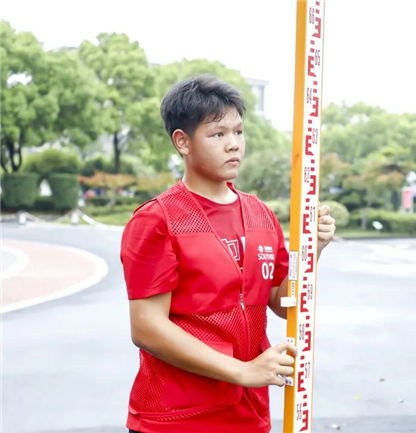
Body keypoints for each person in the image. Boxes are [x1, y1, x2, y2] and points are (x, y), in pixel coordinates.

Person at [120, 74, 336, 433]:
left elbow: (283, 303)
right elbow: (146, 327)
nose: (233, 144)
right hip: (174, 419)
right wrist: (243, 371)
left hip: (248, 415)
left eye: (238, 131)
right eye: (218, 134)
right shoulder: (157, 219)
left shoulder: (260, 214)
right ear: (182, 142)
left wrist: (312, 251)